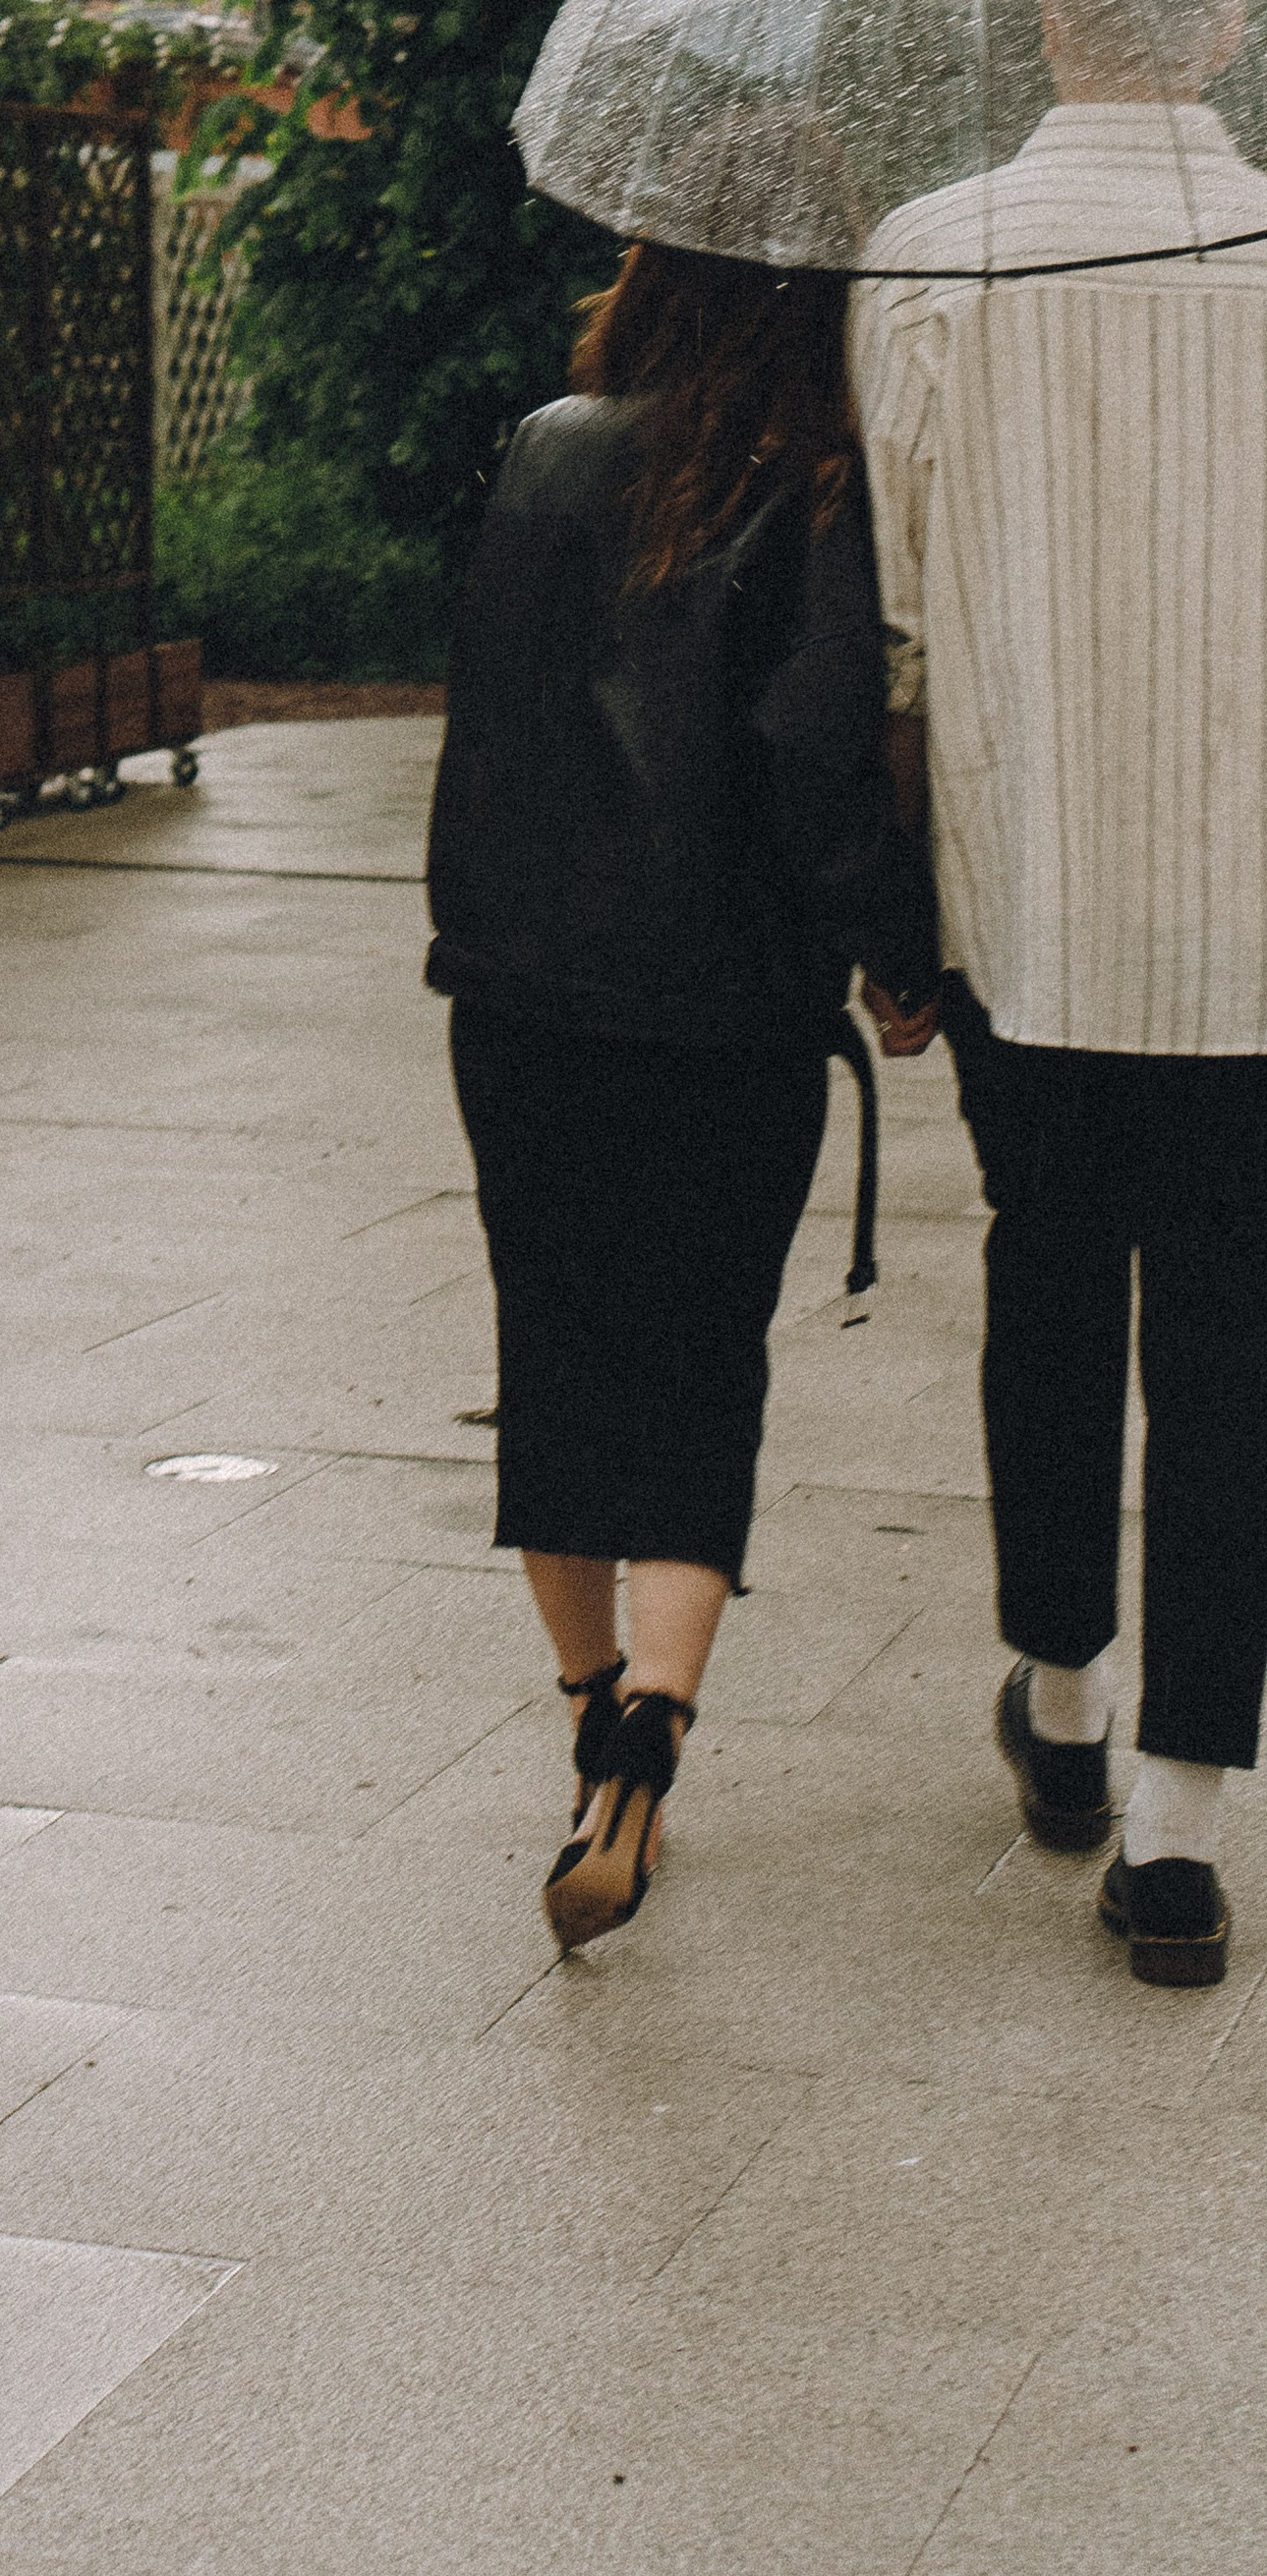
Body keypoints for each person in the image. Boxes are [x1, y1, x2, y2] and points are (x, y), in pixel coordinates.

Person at [429, 242, 940, 1950]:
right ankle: (656, 1719)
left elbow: (487, 715)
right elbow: (811, 755)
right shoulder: (801, 490)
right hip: (719, 1009)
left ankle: (589, 1710)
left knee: (555, 1347)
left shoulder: (538, 447)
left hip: (514, 995)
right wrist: (897, 949)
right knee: (702, 1359)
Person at [854, 0, 1267, 1990]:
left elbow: (896, 613)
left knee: (1045, 1277)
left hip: (1021, 892)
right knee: (1226, 1345)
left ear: (1041, 12)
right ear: (1224, 19)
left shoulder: (928, 249)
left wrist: (894, 913)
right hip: (1251, 923)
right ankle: (1183, 1839)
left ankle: (1065, 1706)